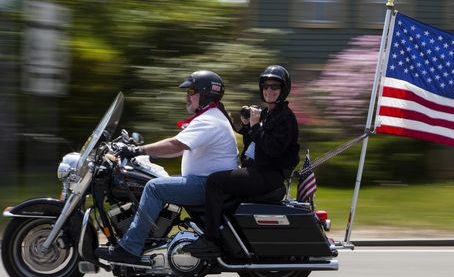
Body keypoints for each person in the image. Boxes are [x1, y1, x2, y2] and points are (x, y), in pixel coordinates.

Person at [95, 70, 239, 264]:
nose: (187, 97)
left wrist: (136, 150)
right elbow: (178, 150)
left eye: (191, 91)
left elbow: (176, 144)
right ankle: (148, 239)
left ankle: (131, 248)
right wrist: (143, 153)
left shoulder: (209, 121)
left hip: (206, 184)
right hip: (206, 182)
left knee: (154, 188)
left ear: (205, 94)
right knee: (152, 178)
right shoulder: (211, 116)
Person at [201, 65, 300, 247]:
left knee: (214, 182)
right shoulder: (269, 114)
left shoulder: (285, 118)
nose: (269, 90)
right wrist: (247, 127)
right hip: (257, 170)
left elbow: (272, 150)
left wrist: (255, 126)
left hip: (268, 175)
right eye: (266, 86)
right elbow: (254, 146)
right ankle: (229, 239)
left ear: (283, 89)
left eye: (275, 87)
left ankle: (209, 240)